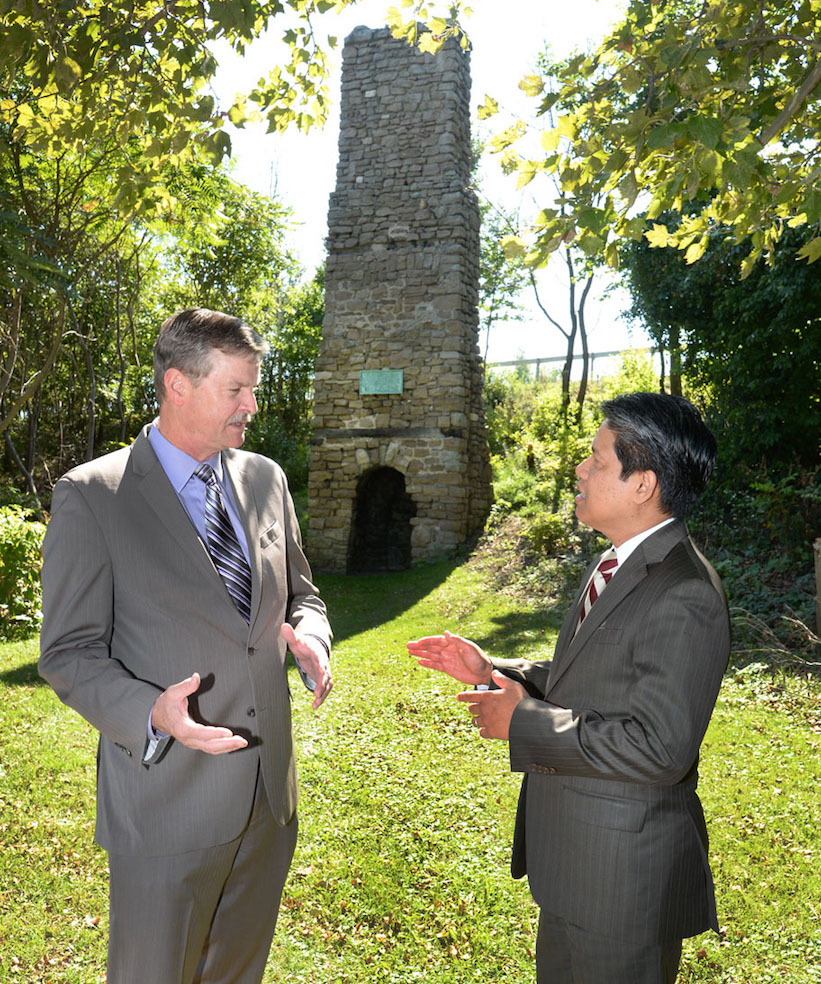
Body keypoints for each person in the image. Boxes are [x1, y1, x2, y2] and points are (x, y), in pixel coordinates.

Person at [39, 308, 332, 984]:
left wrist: (311, 634)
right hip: (166, 803)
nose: (252, 405)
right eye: (236, 390)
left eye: (252, 388)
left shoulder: (266, 479)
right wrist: (151, 713)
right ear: (177, 384)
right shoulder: (92, 497)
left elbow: (300, 594)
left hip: (267, 798)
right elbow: (69, 651)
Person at [408, 392, 730, 984]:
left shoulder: (684, 593)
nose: (580, 470)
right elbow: (594, 680)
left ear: (643, 485)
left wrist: (522, 721)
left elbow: (661, 748)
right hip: (578, 865)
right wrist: (493, 671)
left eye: (597, 459)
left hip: (621, 887)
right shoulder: (617, 562)